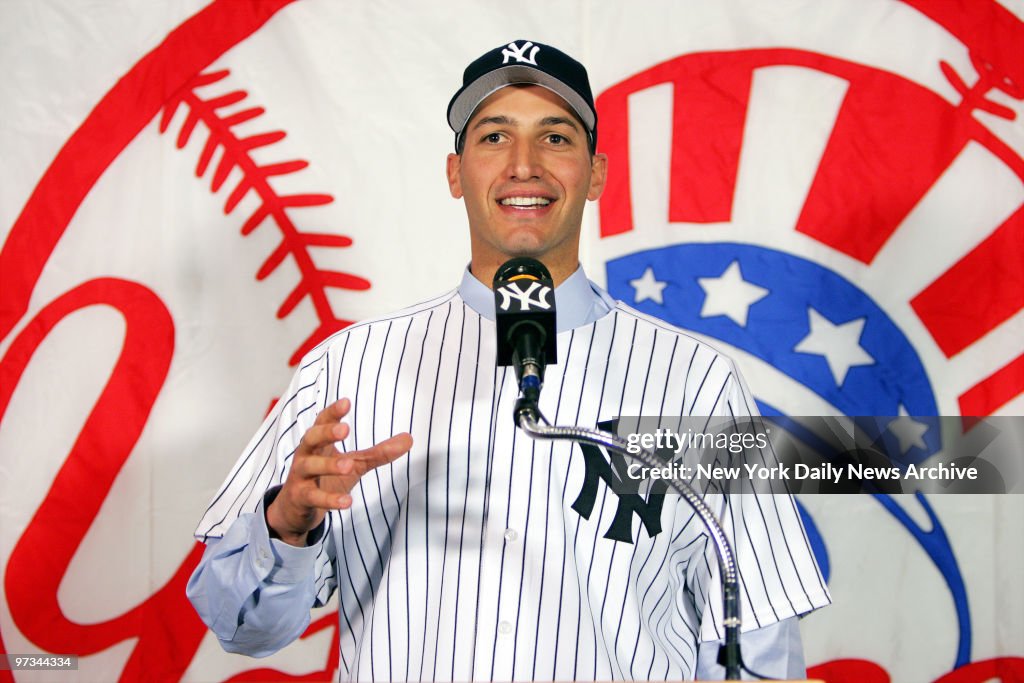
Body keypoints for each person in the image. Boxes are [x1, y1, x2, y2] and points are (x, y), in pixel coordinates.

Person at [188, 39, 831, 681]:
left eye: (555, 138)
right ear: (454, 172)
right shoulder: (348, 370)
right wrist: (286, 525)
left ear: (597, 173)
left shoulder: (695, 380)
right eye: (494, 138)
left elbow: (757, 634)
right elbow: (240, 628)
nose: (524, 166)